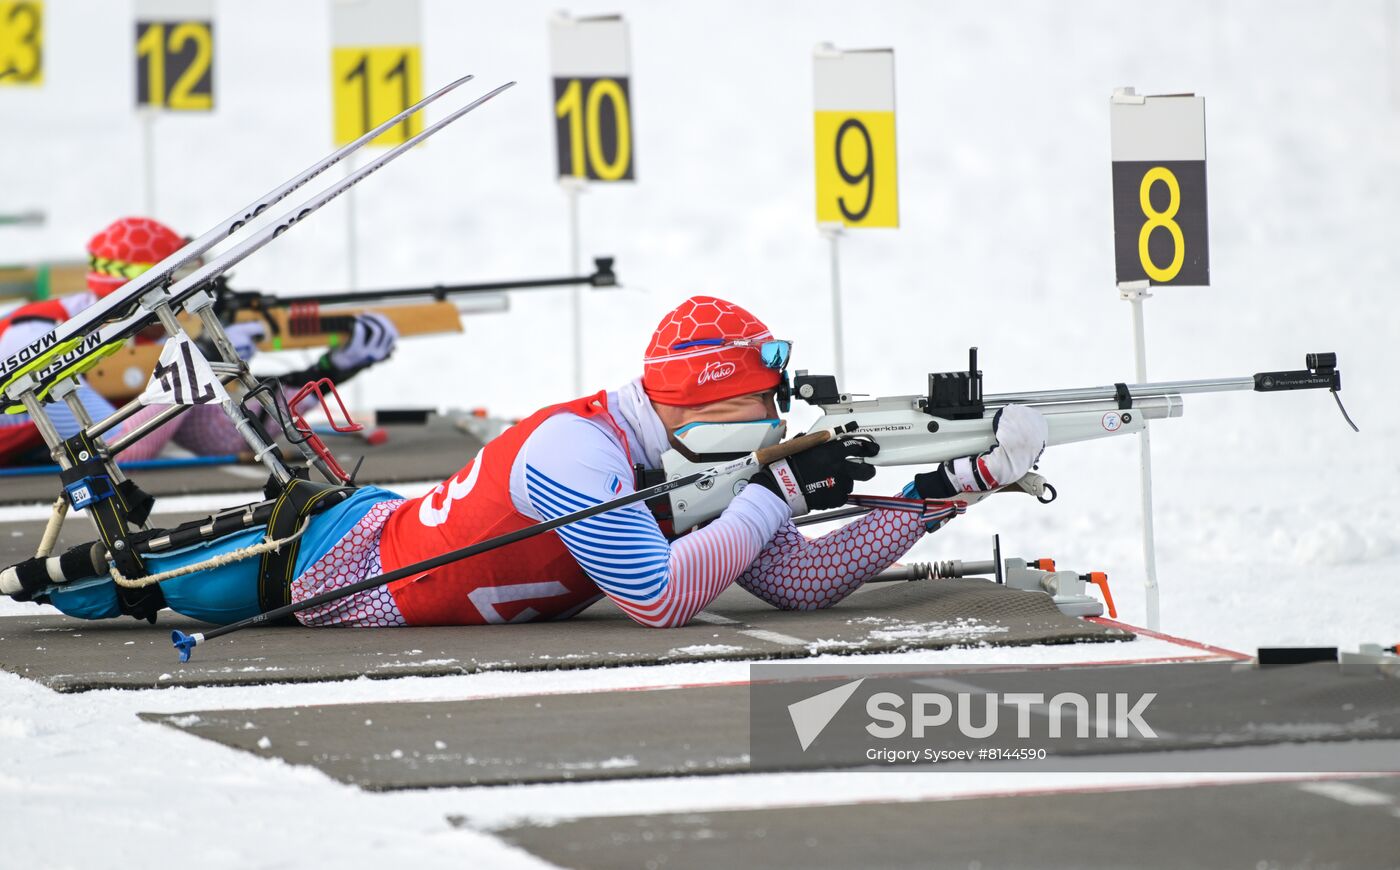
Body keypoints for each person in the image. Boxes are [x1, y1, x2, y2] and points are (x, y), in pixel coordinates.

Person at [5, 295, 1047, 628]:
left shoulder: (681, 457)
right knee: (116, 589)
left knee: (117, 589)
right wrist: (776, 491)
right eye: (758, 397)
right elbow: (656, 600)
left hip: (361, 540)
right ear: (699, 396)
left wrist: (945, 492)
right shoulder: (576, 453)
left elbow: (793, 580)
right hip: (322, 565)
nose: (774, 413)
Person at [0, 216, 398, 466]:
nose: (186, 301)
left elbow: (219, 438)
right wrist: (198, 361)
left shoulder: (126, 344)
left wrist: (328, 370)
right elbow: (123, 452)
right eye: (176, 283)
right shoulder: (36, 339)